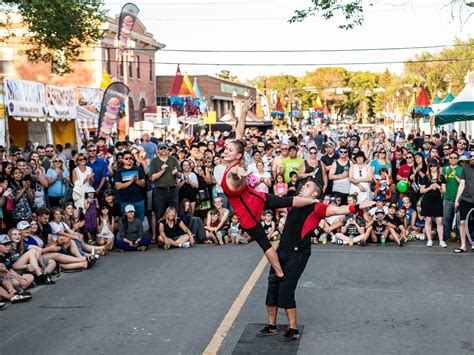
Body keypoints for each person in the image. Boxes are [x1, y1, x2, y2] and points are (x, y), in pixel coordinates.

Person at [260, 178, 374, 341]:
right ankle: (272, 326)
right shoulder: (295, 202)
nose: (302, 187)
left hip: (298, 252)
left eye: (306, 186)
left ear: (314, 193)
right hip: (282, 251)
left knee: (286, 288)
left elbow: (337, 210)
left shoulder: (317, 207)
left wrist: (356, 207)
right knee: (273, 286)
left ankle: (293, 329)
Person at [222, 97, 316, 282]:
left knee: (265, 244)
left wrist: (241, 173)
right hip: (257, 197)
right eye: (225, 149)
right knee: (287, 201)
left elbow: (236, 173)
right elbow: (239, 132)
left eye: (228, 150)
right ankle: (314, 201)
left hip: (247, 211)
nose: (225, 151)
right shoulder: (237, 157)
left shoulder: (234, 168)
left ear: (238, 155)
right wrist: (242, 113)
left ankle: (280, 273)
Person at [420, 159, 447, 248]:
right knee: (428, 221)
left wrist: (438, 186)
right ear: (429, 167)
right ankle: (429, 240)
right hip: (427, 200)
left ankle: (441, 240)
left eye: (434, 165)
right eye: (430, 166)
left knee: (439, 221)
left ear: (437, 166)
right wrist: (430, 187)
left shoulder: (441, 177)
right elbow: (421, 190)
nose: (432, 167)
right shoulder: (426, 177)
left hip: (437, 200)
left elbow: (444, 191)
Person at [114, 150, 146, 221]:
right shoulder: (119, 172)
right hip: (125, 201)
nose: (128, 160)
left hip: (138, 200)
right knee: (125, 223)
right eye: (126, 158)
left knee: (139, 222)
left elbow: (143, 184)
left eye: (130, 158)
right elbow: (118, 186)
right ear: (122, 160)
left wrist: (136, 180)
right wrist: (131, 181)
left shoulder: (139, 170)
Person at [454, 155, 474, 253]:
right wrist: (457, 199)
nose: (473, 158)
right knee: (462, 222)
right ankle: (463, 246)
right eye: (471, 156)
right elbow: (462, 184)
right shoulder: (466, 168)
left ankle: (473, 244)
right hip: (466, 199)